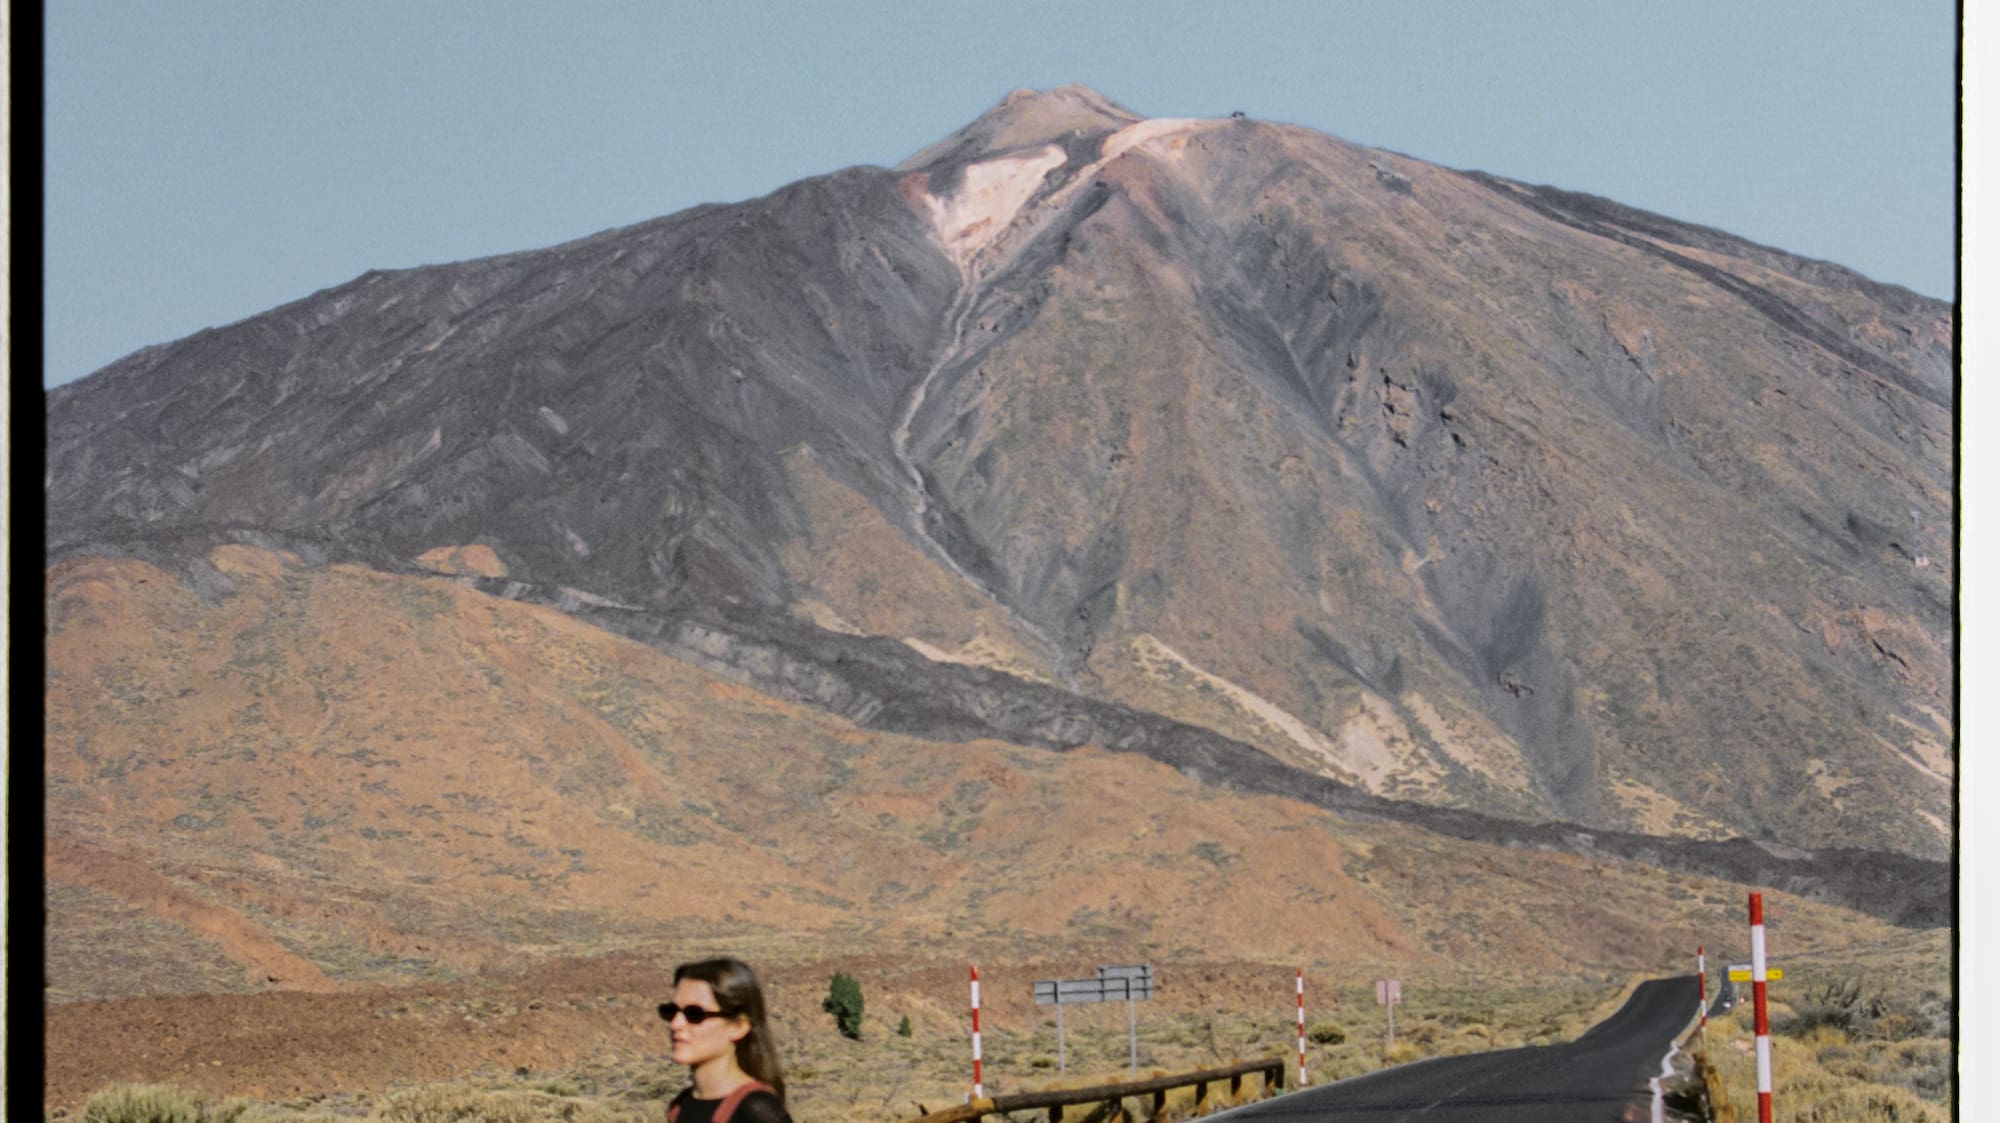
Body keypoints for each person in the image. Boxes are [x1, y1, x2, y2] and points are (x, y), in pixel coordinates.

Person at [660, 957, 793, 1123]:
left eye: (695, 1014)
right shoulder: (681, 1107)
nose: (675, 1024)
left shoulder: (756, 1112)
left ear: (738, 1026)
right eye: (671, 1011)